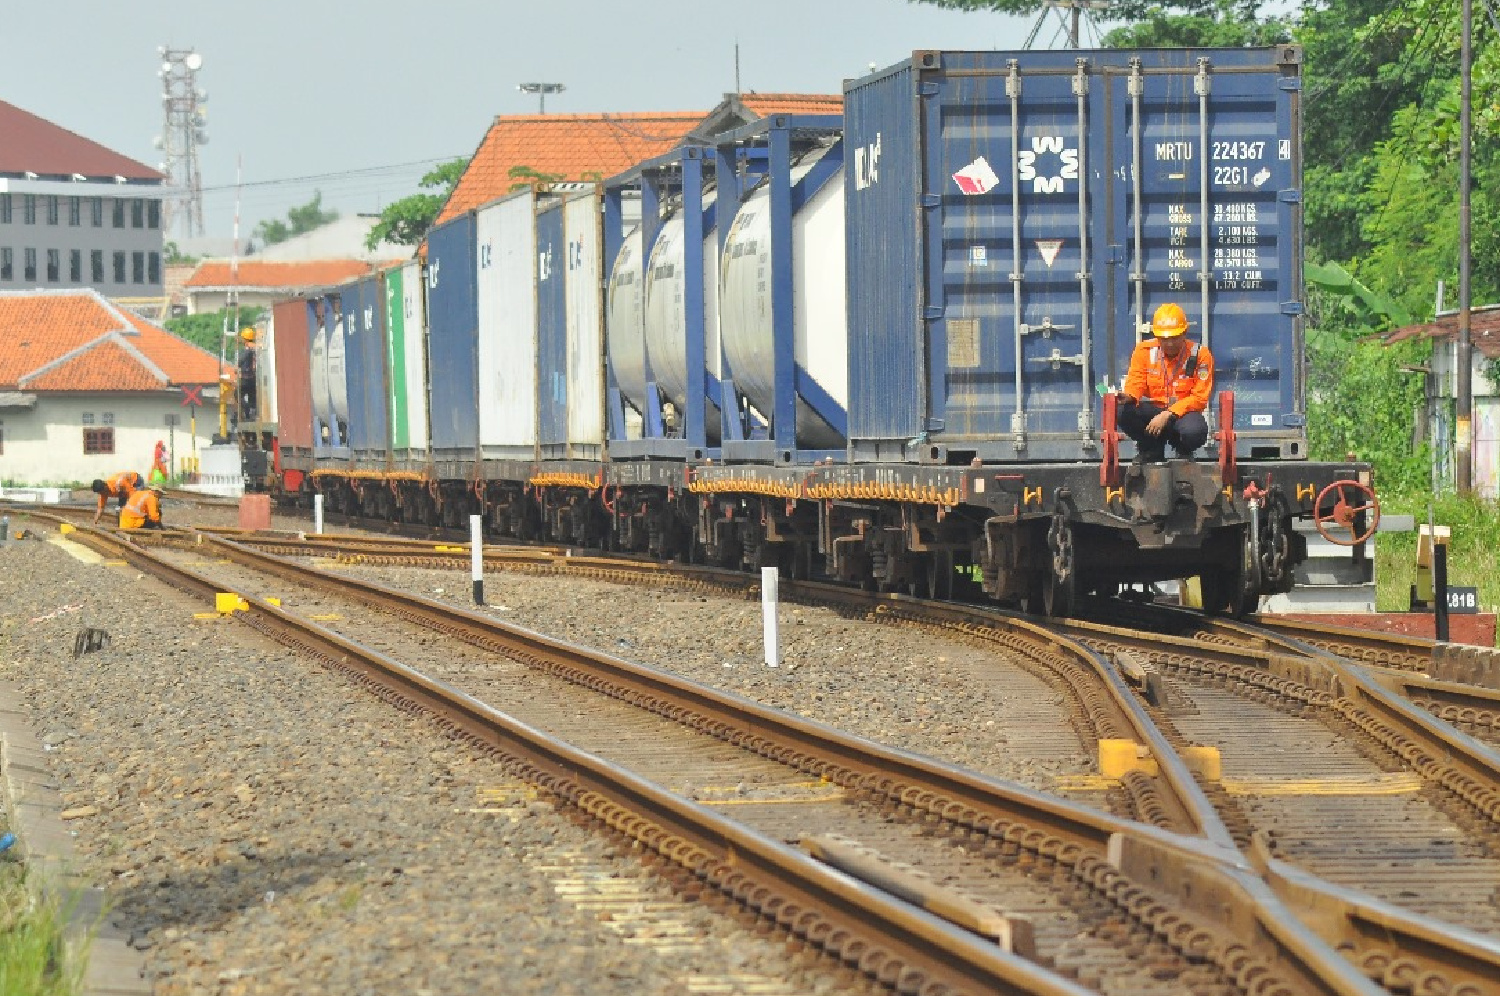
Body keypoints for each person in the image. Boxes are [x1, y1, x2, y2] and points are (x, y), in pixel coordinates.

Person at [1117, 302, 1215, 464]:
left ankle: (1183, 451)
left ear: (1185, 333)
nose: (1169, 343)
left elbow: (1199, 398)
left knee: (1195, 431)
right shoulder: (1144, 351)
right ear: (1156, 336)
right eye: (1164, 339)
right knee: (1122, 411)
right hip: (1154, 410)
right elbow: (1136, 381)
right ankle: (1150, 450)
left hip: (1183, 413)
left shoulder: (1200, 355)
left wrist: (1168, 414)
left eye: (1174, 338)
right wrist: (1128, 396)